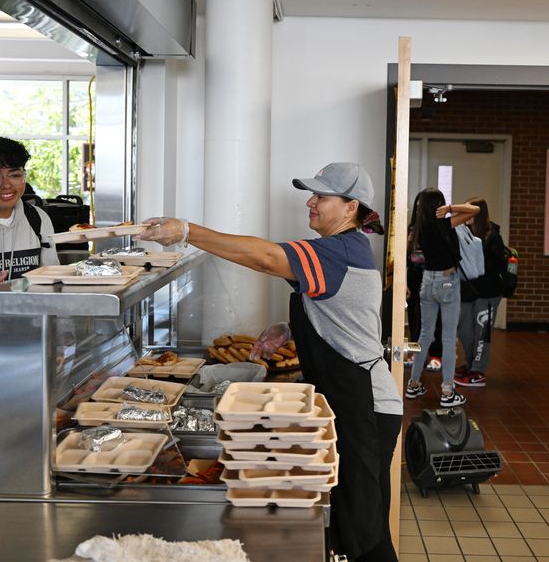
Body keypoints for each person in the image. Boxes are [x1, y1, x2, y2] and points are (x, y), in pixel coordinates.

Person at [139, 162, 403, 562]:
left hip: (365, 406)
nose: (310, 203)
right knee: (348, 524)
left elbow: (264, 257)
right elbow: (343, 311)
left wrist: (188, 231)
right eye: (311, 195)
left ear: (351, 208)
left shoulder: (338, 251)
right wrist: (289, 329)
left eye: (321, 197)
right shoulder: (342, 250)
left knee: (364, 533)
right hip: (349, 402)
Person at [0, 136, 59, 366]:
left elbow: (54, 283)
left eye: (15, 175)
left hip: (33, 348)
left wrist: (62, 339)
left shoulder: (37, 218)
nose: (7, 185)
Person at [405, 188, 479, 408]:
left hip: (427, 281)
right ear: (438, 205)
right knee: (448, 338)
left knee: (425, 335)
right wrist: (449, 209)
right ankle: (448, 391)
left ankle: (413, 384)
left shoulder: (418, 228)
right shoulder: (444, 224)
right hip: (447, 282)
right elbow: (474, 210)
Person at [455, 198, 505, 387]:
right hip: (469, 292)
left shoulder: (493, 236)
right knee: (465, 330)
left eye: (469, 210)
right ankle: (471, 363)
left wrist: (477, 263)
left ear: (478, 214)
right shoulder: (463, 232)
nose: (465, 214)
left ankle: (478, 370)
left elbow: (498, 265)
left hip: (488, 293)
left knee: (482, 332)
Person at [406, 191, 443, 371]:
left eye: (424, 205)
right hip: (414, 278)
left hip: (436, 278)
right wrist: (404, 282)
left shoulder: (442, 228)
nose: (419, 208)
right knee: (415, 317)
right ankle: (415, 352)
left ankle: (436, 355)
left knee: (436, 320)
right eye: (418, 204)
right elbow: (404, 258)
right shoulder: (411, 230)